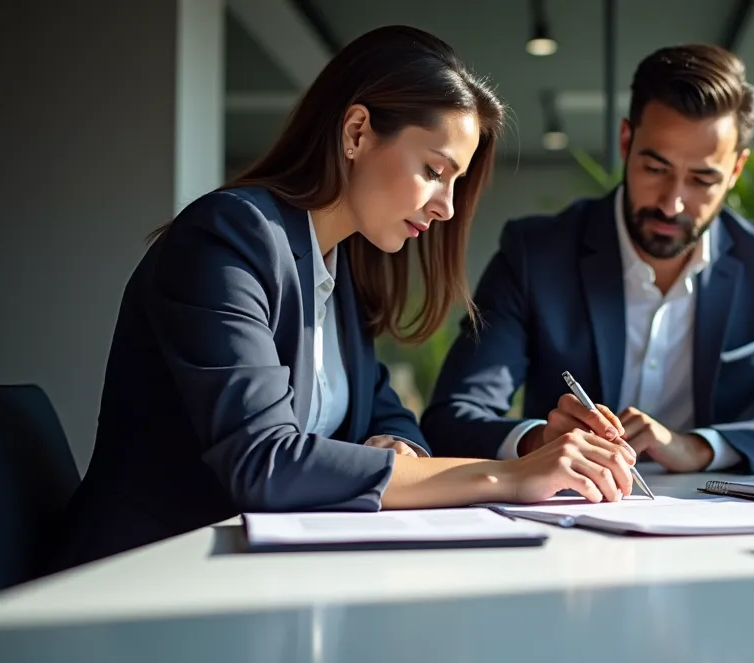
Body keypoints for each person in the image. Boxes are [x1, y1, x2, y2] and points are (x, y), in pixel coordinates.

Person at [53, 26, 639, 571]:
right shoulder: (229, 236)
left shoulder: (336, 264)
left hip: (256, 573)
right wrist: (506, 476)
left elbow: (383, 408)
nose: (447, 207)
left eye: (456, 181)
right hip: (144, 578)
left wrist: (399, 444)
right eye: (435, 170)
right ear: (357, 131)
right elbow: (266, 461)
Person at [420, 44, 754, 474]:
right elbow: (451, 417)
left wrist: (702, 447)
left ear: (735, 172)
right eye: (656, 168)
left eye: (702, 179)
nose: (672, 203)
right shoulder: (536, 253)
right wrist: (540, 441)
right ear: (626, 141)